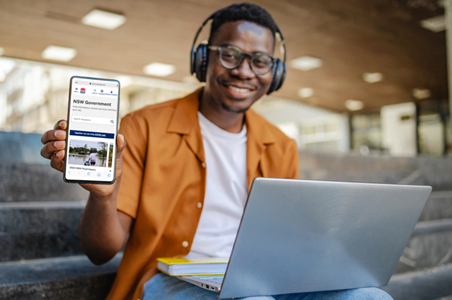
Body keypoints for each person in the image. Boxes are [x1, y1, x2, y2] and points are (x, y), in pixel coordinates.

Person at [40, 3, 393, 300]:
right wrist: (105, 195)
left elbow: (289, 242)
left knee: (371, 296)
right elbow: (100, 252)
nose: (243, 71)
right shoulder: (143, 126)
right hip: (168, 281)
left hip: (260, 278)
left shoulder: (280, 144)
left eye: (260, 61)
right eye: (229, 54)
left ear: (276, 73)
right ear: (202, 59)